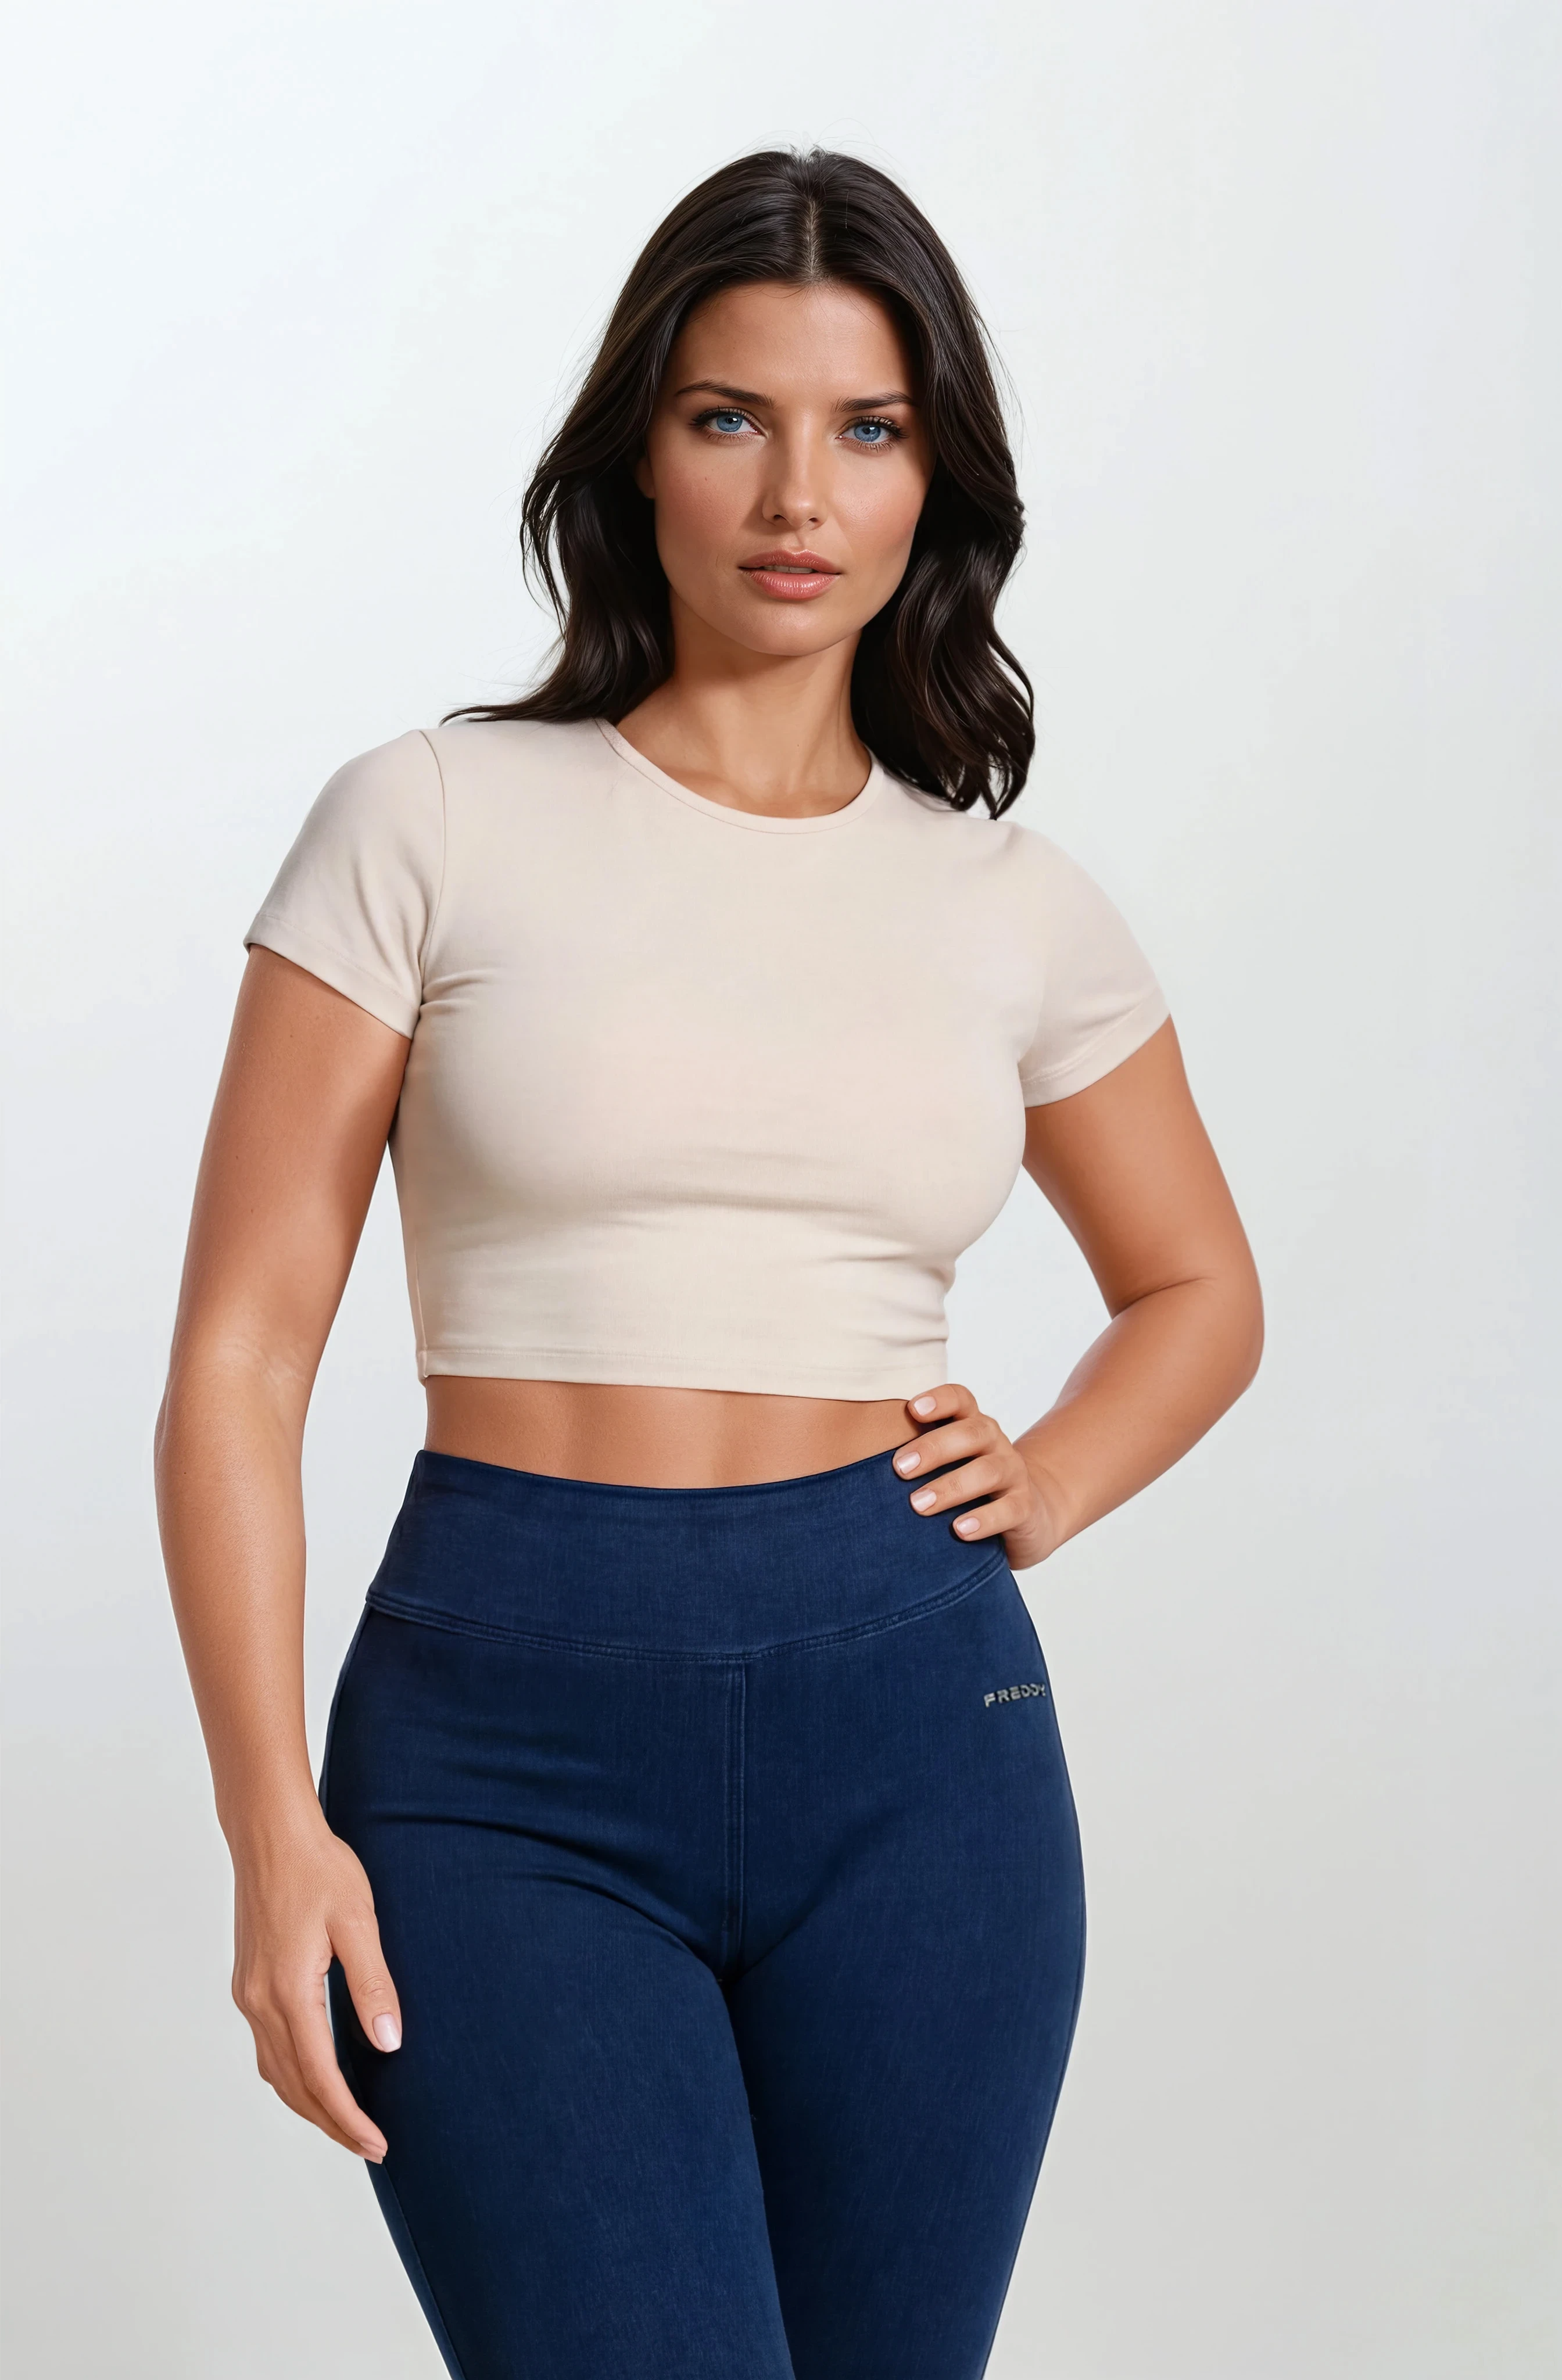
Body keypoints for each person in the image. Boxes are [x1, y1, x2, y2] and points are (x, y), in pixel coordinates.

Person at [154, 146, 1263, 2380]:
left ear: (936, 479)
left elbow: (1199, 1290)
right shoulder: (428, 817)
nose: (798, 494)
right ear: (636, 451)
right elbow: (243, 1356)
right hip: (502, 1744)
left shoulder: (1011, 904)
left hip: (920, 1741)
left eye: (870, 429)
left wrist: (1049, 1478)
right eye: (730, 416)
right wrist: (271, 1829)